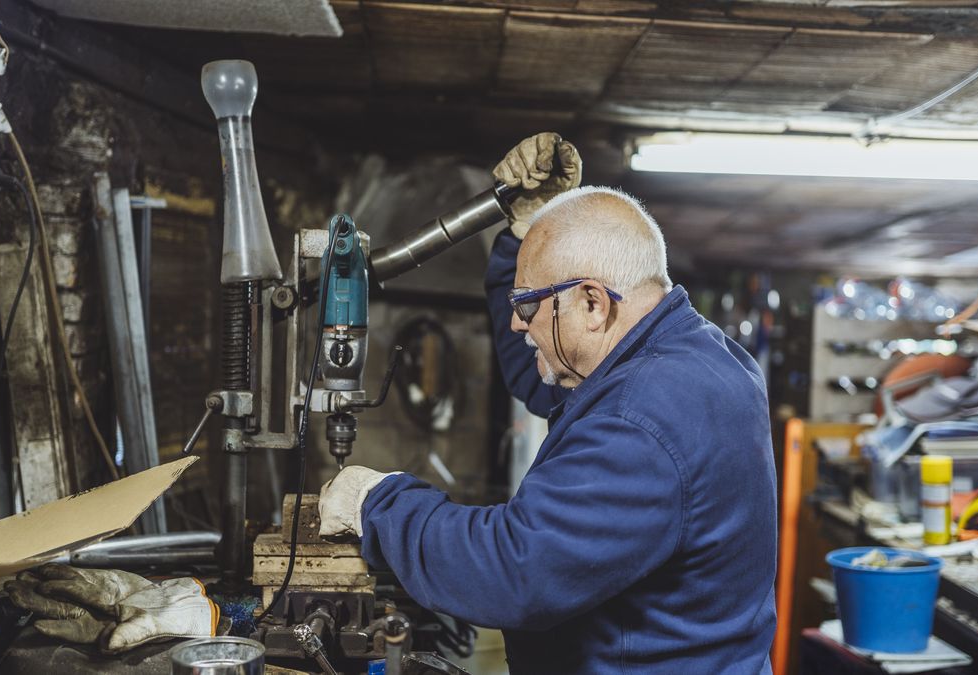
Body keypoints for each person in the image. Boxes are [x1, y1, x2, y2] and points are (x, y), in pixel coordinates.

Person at [319, 133, 777, 674]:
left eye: (528, 305)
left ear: (591, 302)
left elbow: (516, 571)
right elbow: (542, 376)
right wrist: (524, 230)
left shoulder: (643, 418)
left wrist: (376, 503)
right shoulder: (698, 356)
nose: (516, 323)